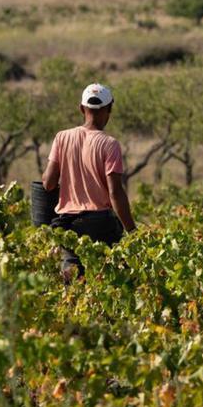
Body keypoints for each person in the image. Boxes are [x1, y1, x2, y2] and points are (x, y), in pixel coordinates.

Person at [41, 83, 137, 284]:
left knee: (72, 275)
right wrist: (132, 230)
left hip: (66, 223)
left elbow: (48, 183)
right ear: (110, 109)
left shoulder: (62, 137)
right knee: (112, 277)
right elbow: (115, 192)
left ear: (81, 108)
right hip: (99, 223)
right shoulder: (110, 144)